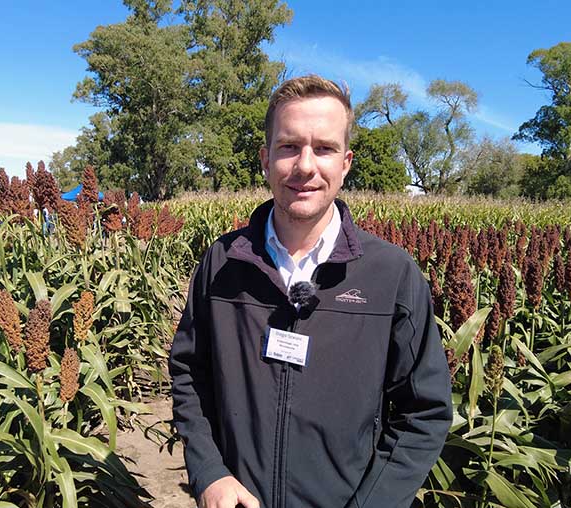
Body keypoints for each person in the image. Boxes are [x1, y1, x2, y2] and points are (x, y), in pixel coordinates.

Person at [170, 75, 452, 508]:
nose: (305, 165)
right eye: (288, 146)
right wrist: (210, 472)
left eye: (324, 148)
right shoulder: (222, 262)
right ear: (265, 159)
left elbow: (424, 412)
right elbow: (190, 373)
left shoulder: (391, 274)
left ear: (346, 163)